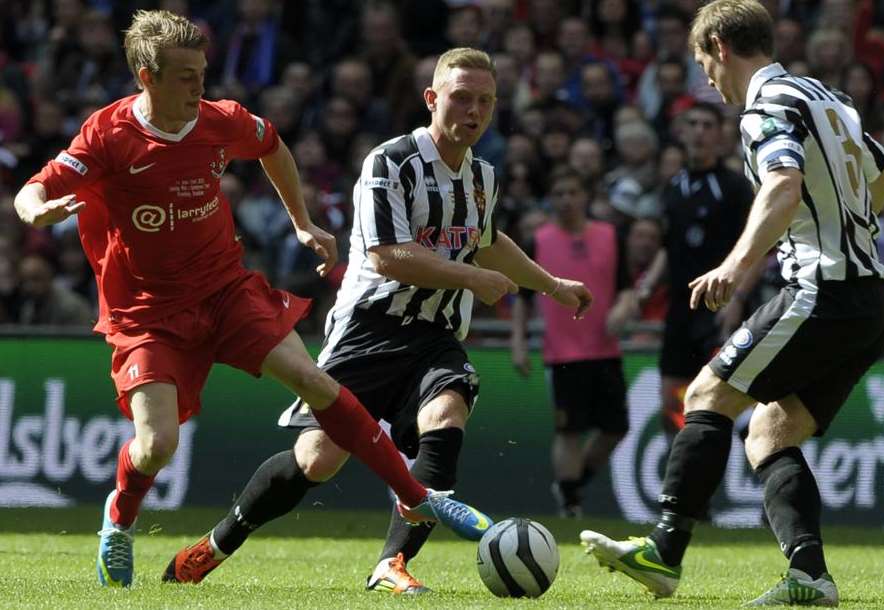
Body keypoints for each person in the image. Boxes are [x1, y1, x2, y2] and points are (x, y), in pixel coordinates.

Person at [13, 11, 492, 588]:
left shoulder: (220, 121)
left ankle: (417, 497)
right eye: (187, 77)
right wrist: (34, 209)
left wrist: (303, 223)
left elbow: (273, 146)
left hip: (224, 291)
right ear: (148, 77)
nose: (200, 87)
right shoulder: (109, 134)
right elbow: (35, 186)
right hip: (148, 316)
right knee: (157, 445)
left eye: (203, 74)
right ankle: (119, 520)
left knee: (314, 381)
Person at [161, 47, 592, 593]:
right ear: (432, 99)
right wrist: (470, 279)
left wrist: (552, 285)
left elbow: (485, 242)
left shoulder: (483, 175)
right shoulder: (392, 161)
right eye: (462, 97)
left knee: (447, 415)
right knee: (318, 460)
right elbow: (387, 256)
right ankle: (217, 543)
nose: (474, 110)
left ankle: (392, 564)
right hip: (371, 328)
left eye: (485, 100)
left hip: (436, 334)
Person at [580, 1, 884, 606]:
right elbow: (882, 171)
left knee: (705, 396)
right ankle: (810, 578)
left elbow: (782, 185)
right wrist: (848, 226)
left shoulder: (766, 107)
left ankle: (664, 551)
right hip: (871, 298)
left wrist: (736, 264)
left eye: (704, 63)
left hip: (822, 290)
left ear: (722, 46)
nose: (708, 79)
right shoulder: (829, 100)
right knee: (769, 436)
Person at [617, 101, 757, 441]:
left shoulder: (735, 187)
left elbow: (757, 250)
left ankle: (761, 470)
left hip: (721, 306)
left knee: (724, 404)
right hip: (680, 308)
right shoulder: (674, 186)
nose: (699, 132)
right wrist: (646, 287)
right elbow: (669, 245)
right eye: (693, 124)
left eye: (707, 125)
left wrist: (737, 300)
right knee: (671, 402)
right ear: (682, 132)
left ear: (721, 135)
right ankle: (685, 482)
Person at [511, 166, 629, 518]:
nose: (566, 200)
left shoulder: (610, 235)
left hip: (606, 349)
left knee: (615, 429)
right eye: (558, 194)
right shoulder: (539, 241)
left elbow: (626, 287)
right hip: (562, 353)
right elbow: (522, 298)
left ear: (585, 197)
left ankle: (572, 485)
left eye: (572, 193)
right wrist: (518, 342)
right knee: (569, 430)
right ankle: (571, 503)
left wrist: (623, 309)